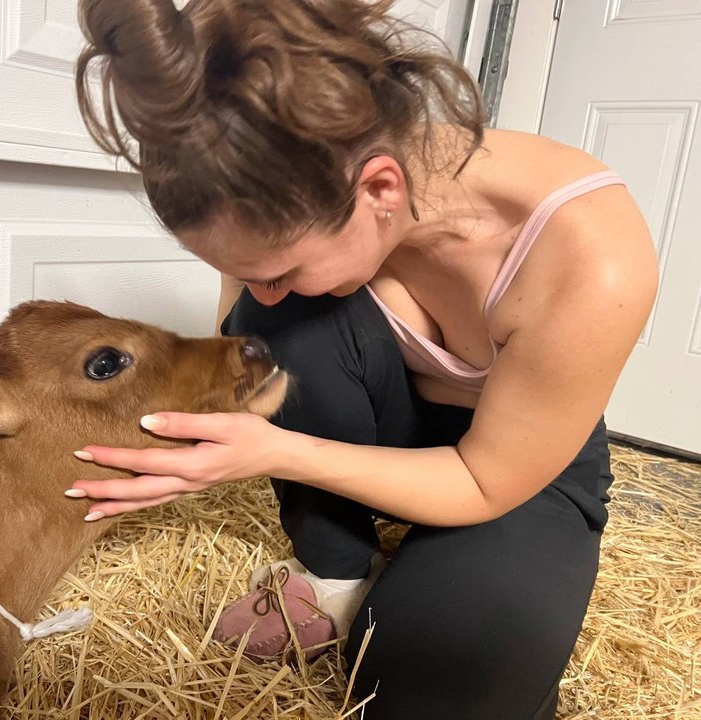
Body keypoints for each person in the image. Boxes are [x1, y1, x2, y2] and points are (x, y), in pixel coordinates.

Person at [66, 1, 658, 717]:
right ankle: (335, 573)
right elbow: (249, 325)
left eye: (280, 266)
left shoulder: (590, 258)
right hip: (387, 410)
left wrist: (275, 452)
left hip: (510, 469)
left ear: (381, 189)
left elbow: (481, 480)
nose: (261, 288)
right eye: (240, 267)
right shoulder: (287, 171)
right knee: (272, 323)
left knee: (435, 669)